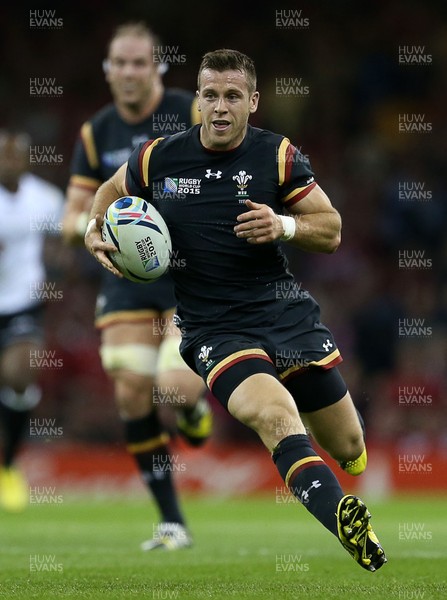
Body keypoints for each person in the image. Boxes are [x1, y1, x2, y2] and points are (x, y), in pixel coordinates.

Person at [85, 48, 387, 571]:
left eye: (231, 96)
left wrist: (284, 225)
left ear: (252, 101)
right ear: (197, 102)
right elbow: (110, 190)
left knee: (350, 446)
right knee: (274, 415)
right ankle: (342, 515)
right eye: (209, 96)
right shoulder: (159, 157)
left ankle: (342, 473)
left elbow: (332, 228)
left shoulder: (279, 157)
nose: (219, 107)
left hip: (286, 316)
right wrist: (94, 227)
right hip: (214, 329)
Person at [62, 22, 212, 550]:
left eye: (138, 63)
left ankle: (193, 411)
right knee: (130, 389)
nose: (128, 72)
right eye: (119, 63)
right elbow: (72, 213)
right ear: (108, 71)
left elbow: (218, 170)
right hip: (127, 276)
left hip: (188, 270)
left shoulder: (189, 112)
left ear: (157, 67)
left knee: (178, 388)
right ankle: (172, 520)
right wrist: (91, 228)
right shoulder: (94, 132)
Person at [0, 129, 64, 512]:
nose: (9, 161)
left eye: (15, 155)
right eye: (3, 155)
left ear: (26, 159)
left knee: (21, 374)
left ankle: (8, 467)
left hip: (24, 303)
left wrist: (56, 277)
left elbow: (62, 247)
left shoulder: (46, 199)